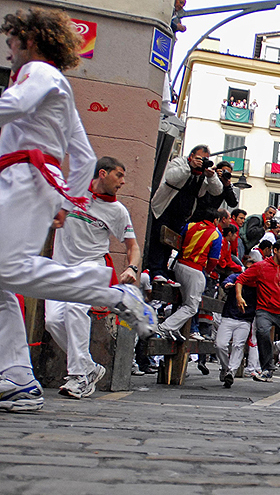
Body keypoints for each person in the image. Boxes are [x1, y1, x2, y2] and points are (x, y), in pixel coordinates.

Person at [0, 8, 156, 412]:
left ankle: (114, 292)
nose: (8, 50)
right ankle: (16, 377)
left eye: (11, 42)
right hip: (29, 181)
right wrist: (64, 199)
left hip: (23, 179)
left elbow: (12, 106)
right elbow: (84, 155)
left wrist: (60, 198)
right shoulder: (58, 83)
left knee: (8, 270)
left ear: (30, 41)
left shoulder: (39, 73)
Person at [45, 157, 139, 399]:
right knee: (53, 321)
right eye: (119, 175)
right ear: (103, 173)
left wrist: (132, 268)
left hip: (91, 266)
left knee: (76, 308)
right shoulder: (72, 193)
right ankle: (89, 367)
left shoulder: (118, 211)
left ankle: (79, 377)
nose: (123, 181)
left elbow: (133, 246)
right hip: (60, 268)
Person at [148, 145, 223, 285]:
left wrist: (211, 177)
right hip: (165, 208)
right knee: (159, 238)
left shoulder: (204, 174)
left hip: (182, 213)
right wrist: (189, 166)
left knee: (171, 242)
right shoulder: (180, 163)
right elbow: (170, 177)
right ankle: (155, 270)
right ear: (192, 155)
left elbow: (217, 191)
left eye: (205, 159)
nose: (202, 162)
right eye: (199, 158)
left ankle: (163, 271)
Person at [235, 239, 280, 382]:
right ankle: (267, 369)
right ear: (275, 250)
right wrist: (239, 297)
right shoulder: (261, 266)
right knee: (262, 332)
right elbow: (240, 279)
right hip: (264, 309)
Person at [157, 209, 223, 341]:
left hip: (179, 266)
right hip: (196, 269)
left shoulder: (190, 226)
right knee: (191, 307)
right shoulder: (216, 234)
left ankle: (174, 329)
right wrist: (208, 272)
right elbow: (214, 260)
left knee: (183, 300)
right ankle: (165, 327)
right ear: (215, 220)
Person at [215, 256, 257, 388]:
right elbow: (227, 281)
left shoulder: (258, 283)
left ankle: (231, 372)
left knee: (238, 346)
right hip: (229, 316)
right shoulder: (236, 277)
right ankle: (225, 367)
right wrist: (226, 284)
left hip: (245, 320)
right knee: (219, 344)